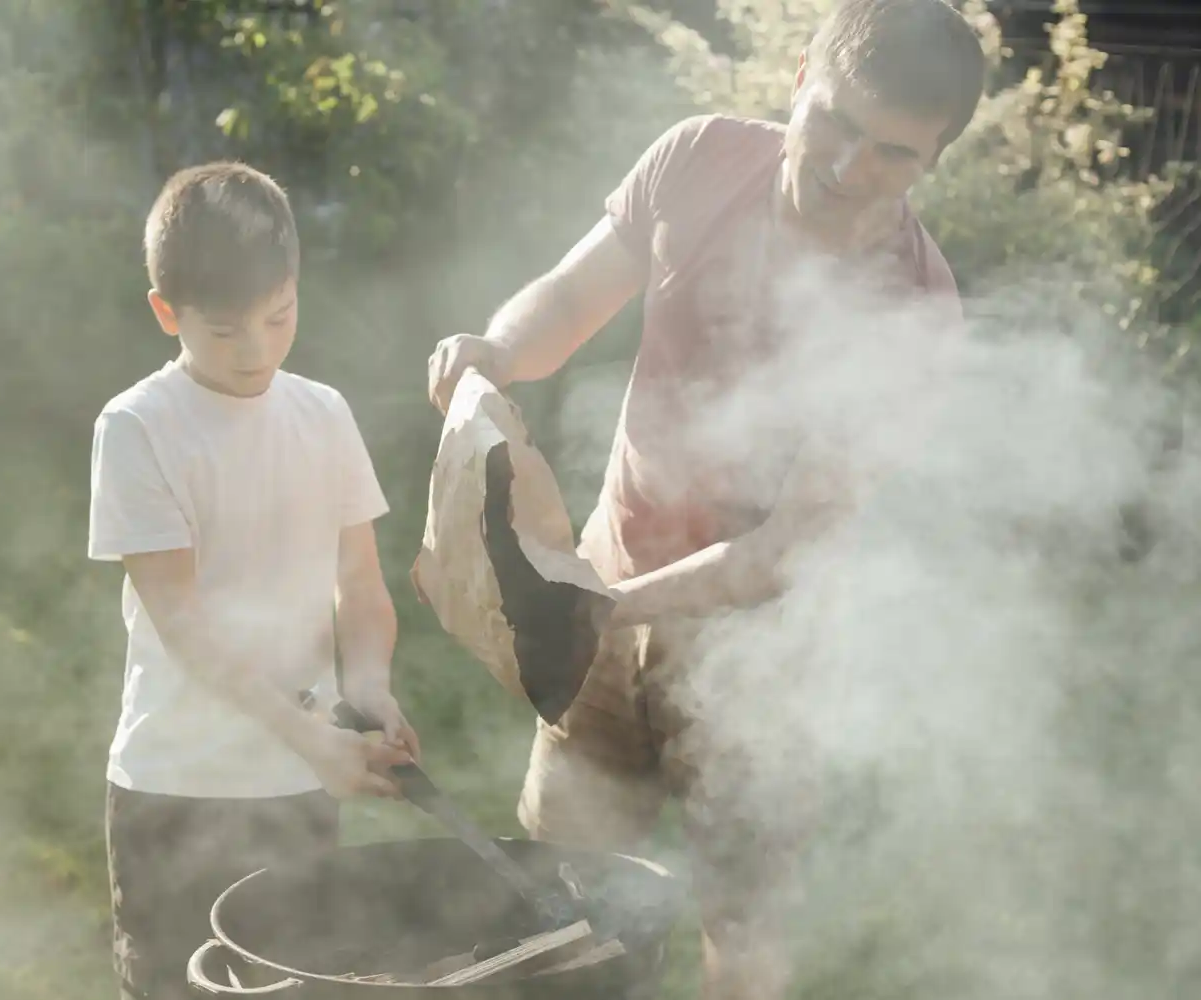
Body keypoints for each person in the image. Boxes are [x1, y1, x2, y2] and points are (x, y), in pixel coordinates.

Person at [426, 1, 984, 997]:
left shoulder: (915, 312)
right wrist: (496, 353)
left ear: (934, 158)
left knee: (742, 923)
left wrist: (599, 604)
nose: (852, 168)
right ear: (802, 73)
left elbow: (780, 551)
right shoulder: (697, 161)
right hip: (607, 588)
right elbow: (562, 302)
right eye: (839, 123)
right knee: (560, 895)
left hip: (767, 657)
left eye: (896, 154)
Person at [88, 160, 421, 1000]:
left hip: (296, 790)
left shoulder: (323, 414)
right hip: (177, 790)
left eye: (279, 319)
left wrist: (370, 689)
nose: (258, 351)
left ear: (297, 288)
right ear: (168, 313)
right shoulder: (138, 427)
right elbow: (183, 624)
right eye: (227, 331)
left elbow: (361, 586)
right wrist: (311, 739)